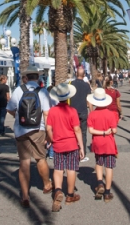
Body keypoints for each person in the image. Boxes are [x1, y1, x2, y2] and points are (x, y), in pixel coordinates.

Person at [7, 66, 52, 208]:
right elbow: (46, 113)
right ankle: (46, 184)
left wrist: (18, 117)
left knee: (24, 162)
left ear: (26, 77)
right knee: (40, 158)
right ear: (37, 78)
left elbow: (9, 108)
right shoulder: (42, 91)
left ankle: (25, 195)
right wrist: (49, 132)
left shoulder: (19, 90)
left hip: (21, 130)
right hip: (38, 129)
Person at [46, 82, 84, 212]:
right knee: (71, 169)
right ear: (68, 97)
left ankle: (57, 191)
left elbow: (48, 128)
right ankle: (70, 195)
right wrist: (82, 147)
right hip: (72, 144)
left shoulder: (52, 111)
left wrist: (50, 139)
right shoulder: (72, 111)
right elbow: (77, 129)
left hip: (58, 144)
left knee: (58, 169)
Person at [87, 87, 118, 202]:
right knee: (109, 166)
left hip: (97, 142)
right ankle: (107, 192)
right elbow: (114, 130)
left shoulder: (92, 114)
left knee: (99, 163)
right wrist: (106, 132)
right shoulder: (110, 114)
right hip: (108, 143)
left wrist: (101, 132)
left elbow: (91, 130)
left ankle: (100, 183)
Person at [69, 67, 92, 162]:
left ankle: (73, 153)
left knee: (73, 133)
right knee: (83, 133)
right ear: (84, 75)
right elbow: (89, 99)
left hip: (72, 112)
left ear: (75, 73)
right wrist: (92, 111)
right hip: (83, 111)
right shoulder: (86, 86)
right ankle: (83, 154)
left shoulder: (71, 84)